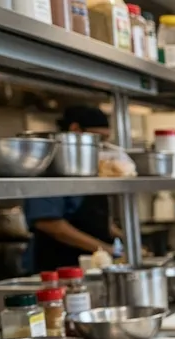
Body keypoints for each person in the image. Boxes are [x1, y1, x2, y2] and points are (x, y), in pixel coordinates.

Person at [23, 106, 122, 272]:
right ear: (75, 130)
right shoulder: (50, 166)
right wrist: (106, 249)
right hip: (57, 267)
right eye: (99, 139)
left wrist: (126, 239)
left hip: (91, 266)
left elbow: (95, 219)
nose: (102, 146)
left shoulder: (88, 167)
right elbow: (51, 224)